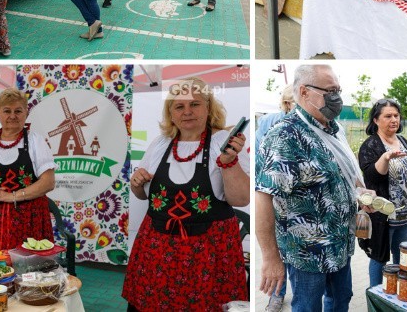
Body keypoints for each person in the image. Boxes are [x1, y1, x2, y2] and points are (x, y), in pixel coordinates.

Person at [122, 77, 249, 311]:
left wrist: (229, 162)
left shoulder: (223, 142)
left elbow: (241, 199)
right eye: (179, 106)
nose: (187, 111)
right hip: (157, 250)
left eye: (195, 104)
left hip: (208, 254)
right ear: (171, 113)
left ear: (209, 108)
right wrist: (137, 182)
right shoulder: (161, 143)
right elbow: (141, 195)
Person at [257, 65, 365, 312]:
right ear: (304, 92)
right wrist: (271, 258)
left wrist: (361, 192)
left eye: (338, 90)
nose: (336, 97)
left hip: (339, 246)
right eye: (330, 90)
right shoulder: (286, 136)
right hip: (307, 254)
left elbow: (347, 172)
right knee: (307, 307)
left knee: (341, 301)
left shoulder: (332, 129)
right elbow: (264, 197)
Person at [0, 88, 56, 251]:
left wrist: (11, 196)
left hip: (29, 219)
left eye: (18, 111)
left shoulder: (36, 141)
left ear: (26, 113)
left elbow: (48, 182)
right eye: (7, 111)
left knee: (28, 267)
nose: (12, 116)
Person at [358, 99, 407, 288]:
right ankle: (376, 295)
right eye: (388, 116)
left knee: (403, 256)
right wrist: (385, 158)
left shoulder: (402, 140)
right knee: (379, 258)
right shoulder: (370, 145)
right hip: (383, 216)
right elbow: (371, 177)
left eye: (396, 115)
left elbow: (406, 173)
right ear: (376, 120)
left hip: (405, 214)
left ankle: (397, 293)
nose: (394, 119)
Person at [254, 84, 294, 312]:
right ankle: (277, 295)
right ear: (288, 103)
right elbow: (260, 157)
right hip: (274, 197)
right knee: (276, 248)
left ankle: (296, 294)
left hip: (297, 203)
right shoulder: (270, 122)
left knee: (293, 250)